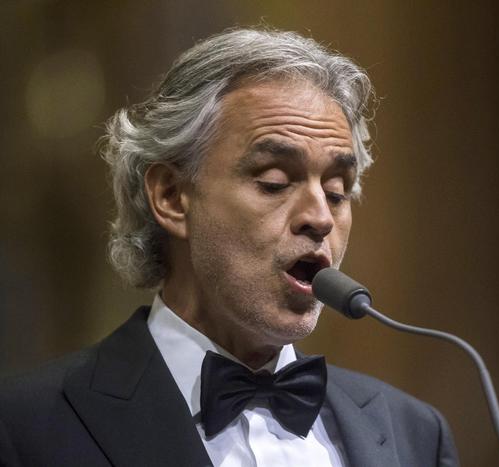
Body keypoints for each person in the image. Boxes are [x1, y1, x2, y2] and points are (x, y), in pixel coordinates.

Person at [0, 27, 459, 467]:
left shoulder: (416, 434)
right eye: (274, 182)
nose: (321, 218)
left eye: (337, 191)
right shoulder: (23, 427)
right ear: (171, 197)